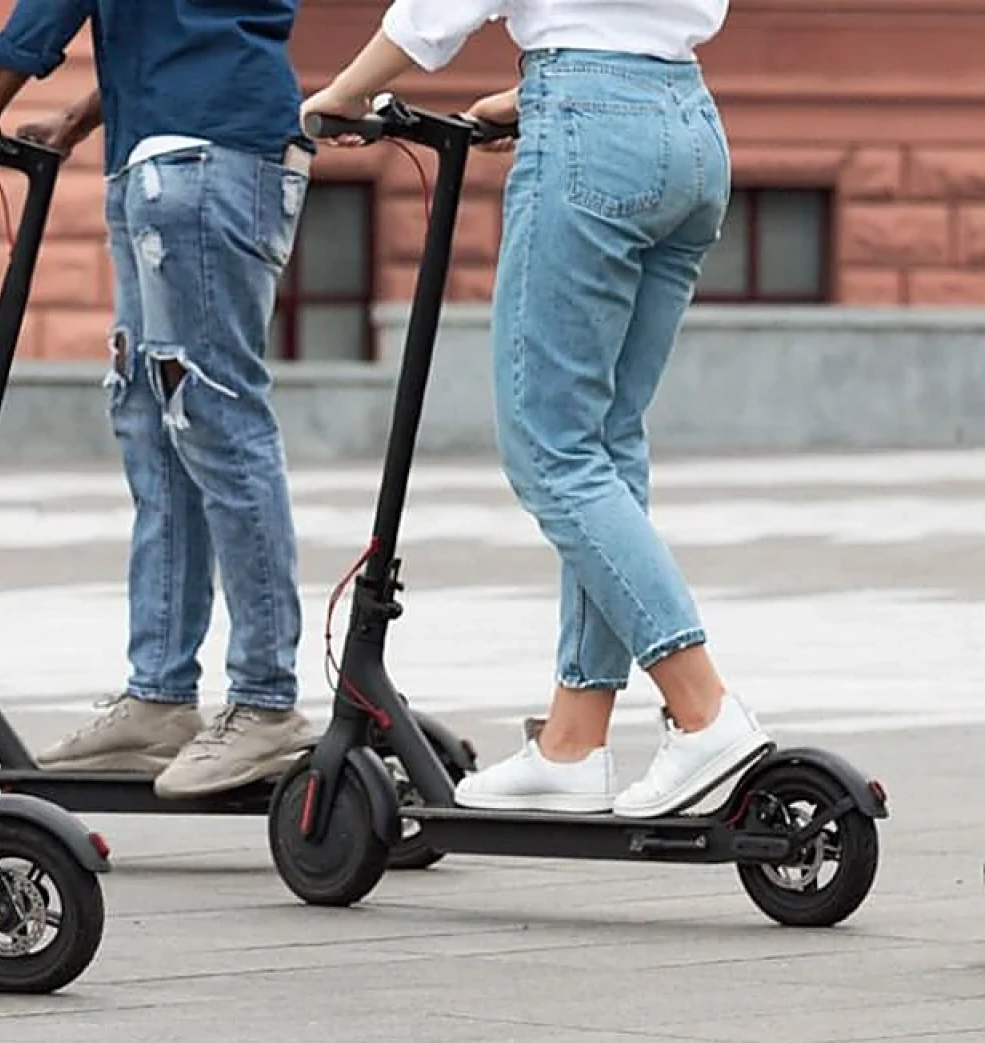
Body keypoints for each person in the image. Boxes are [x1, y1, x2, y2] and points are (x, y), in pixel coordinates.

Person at [302, 0, 769, 817]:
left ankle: (703, 711)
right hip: (689, 123)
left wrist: (341, 93)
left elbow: (436, 11)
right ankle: (572, 740)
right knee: (607, 445)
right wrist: (533, 95)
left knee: (551, 451)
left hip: (593, 131)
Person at [0, 1, 319, 799]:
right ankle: (160, 697)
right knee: (152, 420)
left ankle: (265, 702)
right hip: (166, 150)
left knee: (215, 417)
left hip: (201, 157)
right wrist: (78, 117)